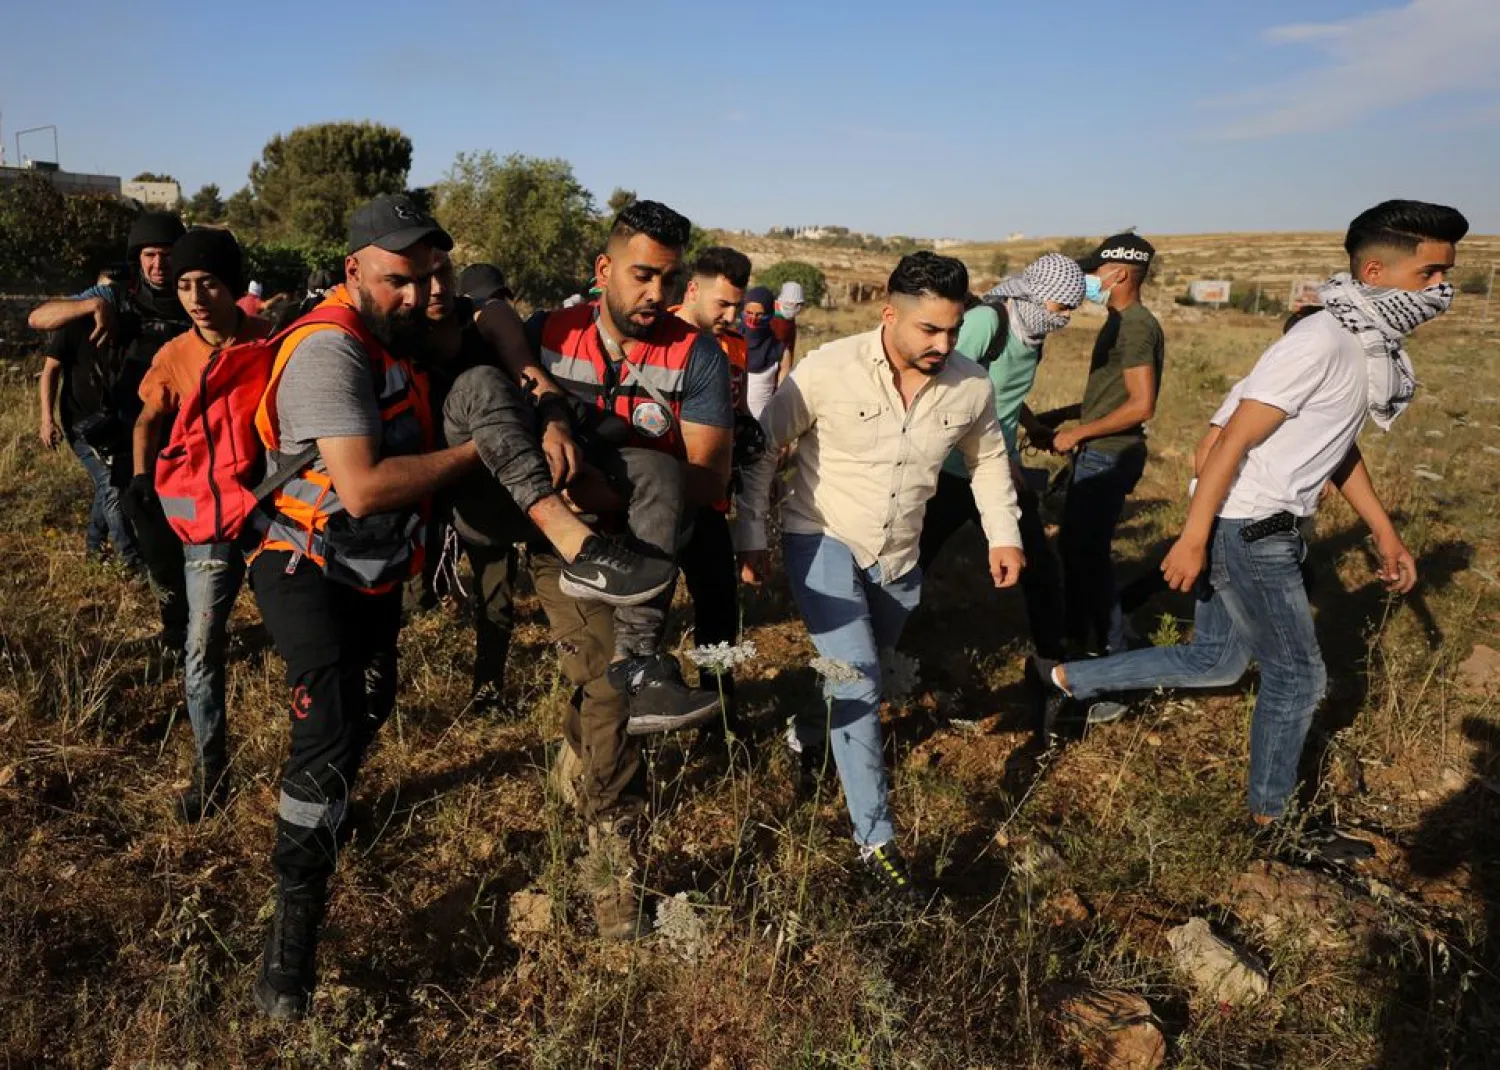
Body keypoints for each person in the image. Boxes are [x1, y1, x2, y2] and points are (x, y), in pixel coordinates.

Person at [1029, 200, 1469, 863]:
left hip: (1264, 526)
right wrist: (1193, 537)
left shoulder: (1364, 345)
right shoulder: (1319, 341)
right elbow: (1230, 440)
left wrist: (1385, 532)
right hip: (1253, 528)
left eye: (1447, 274)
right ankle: (1275, 821)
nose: (1442, 289)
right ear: (1376, 270)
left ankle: (1064, 679)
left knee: (1216, 661)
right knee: (1298, 678)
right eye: (1430, 273)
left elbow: (1337, 446)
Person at [246, 194, 483, 1020]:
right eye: (396, 280)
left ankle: (336, 798)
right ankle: (290, 948)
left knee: (374, 703)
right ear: (353, 270)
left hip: (374, 567)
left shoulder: (403, 334)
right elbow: (364, 485)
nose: (416, 296)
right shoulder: (327, 351)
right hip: (304, 563)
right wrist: (476, 453)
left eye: (427, 279)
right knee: (331, 728)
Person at [735, 252, 1025, 898]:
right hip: (822, 537)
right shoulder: (828, 370)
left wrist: (1004, 535)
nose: (942, 345)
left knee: (854, 669)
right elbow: (763, 449)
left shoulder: (972, 386)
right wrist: (751, 535)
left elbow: (988, 464)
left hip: (899, 560)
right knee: (861, 677)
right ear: (888, 314)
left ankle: (807, 733)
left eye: (953, 330)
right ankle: (876, 845)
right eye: (929, 330)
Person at [495, 200, 733, 734]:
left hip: (646, 549)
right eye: (642, 275)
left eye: (670, 280)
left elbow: (708, 479)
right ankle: (612, 814)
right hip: (565, 546)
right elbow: (489, 320)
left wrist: (606, 491)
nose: (658, 294)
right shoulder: (547, 334)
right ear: (604, 271)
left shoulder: (699, 356)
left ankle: (587, 780)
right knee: (604, 681)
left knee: (616, 687)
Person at [130, 227, 271, 822]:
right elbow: (147, 420)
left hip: (271, 513)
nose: (194, 296)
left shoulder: (274, 340)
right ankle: (211, 772)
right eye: (185, 285)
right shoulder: (174, 357)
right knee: (201, 646)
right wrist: (141, 481)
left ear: (232, 286)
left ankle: (316, 765)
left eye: (207, 283)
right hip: (208, 522)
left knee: (300, 639)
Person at [34, 212, 192, 646]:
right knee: (150, 531)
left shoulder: (193, 299)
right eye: (150, 255)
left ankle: (191, 619)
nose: (159, 265)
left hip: (185, 438)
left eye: (167, 255)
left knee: (188, 534)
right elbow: (39, 317)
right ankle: (175, 624)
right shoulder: (117, 298)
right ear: (138, 259)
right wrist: (93, 304)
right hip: (130, 438)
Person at [918, 253, 1084, 660]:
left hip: (994, 470)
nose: (1063, 317)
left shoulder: (1032, 335)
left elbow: (1001, 392)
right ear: (1038, 294)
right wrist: (1000, 458)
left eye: (1071, 309)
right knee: (909, 561)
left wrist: (1030, 425)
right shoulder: (988, 323)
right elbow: (944, 391)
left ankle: (1052, 663)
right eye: (1060, 306)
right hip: (952, 471)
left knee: (1038, 566)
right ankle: (875, 649)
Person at [1050, 233, 1165, 656]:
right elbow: (1111, 395)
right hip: (1099, 449)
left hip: (1109, 454)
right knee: (1075, 549)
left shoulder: (1135, 326)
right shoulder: (1118, 322)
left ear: (1118, 274)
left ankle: (1112, 651)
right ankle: (1077, 637)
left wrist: (1077, 434)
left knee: (1090, 558)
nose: (1088, 280)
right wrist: (1061, 416)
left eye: (1095, 272)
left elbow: (1141, 404)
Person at [671, 247, 759, 730]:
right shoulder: (658, 337)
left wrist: (747, 428)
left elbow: (736, 406)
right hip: (661, 496)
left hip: (711, 499)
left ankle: (719, 715)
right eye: (721, 304)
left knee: (719, 609)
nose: (731, 316)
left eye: (737, 305)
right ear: (692, 291)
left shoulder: (736, 345)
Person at [742, 286, 790, 420]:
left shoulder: (781, 352)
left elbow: (782, 395)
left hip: (763, 426)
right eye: (749, 313)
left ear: (769, 315)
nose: (753, 319)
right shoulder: (731, 344)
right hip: (730, 425)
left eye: (760, 314)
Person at [771, 279, 804, 363]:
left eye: (798, 304)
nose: (795, 306)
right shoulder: (769, 317)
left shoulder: (790, 320)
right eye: (790, 303)